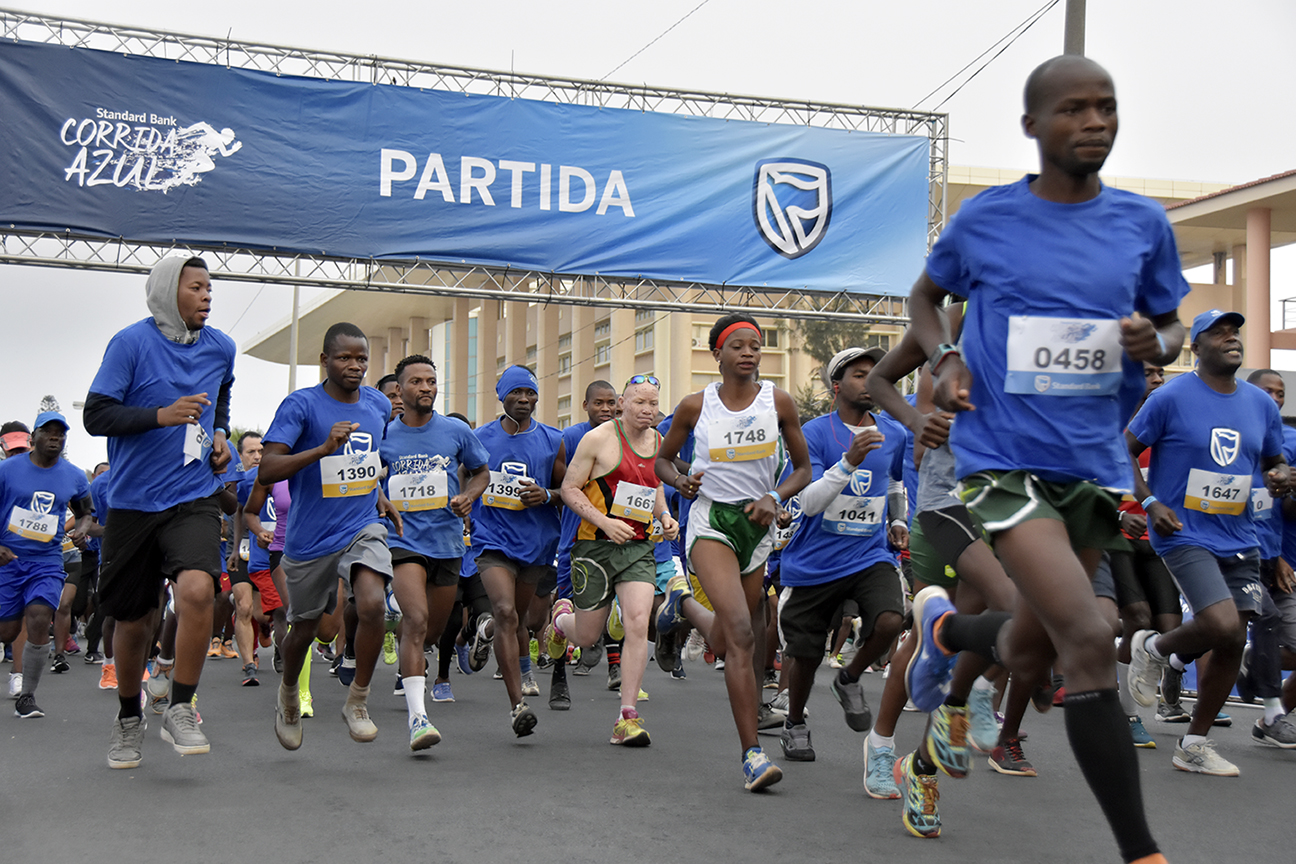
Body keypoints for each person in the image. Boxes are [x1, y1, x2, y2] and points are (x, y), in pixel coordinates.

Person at [902, 56, 1185, 864]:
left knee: (1030, 649)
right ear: (1033, 126)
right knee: (1091, 636)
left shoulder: (1143, 224)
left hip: (1093, 463)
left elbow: (1170, 328)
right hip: (1001, 460)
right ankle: (1142, 852)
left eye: (1106, 108)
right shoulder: (987, 221)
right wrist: (948, 355)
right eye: (1073, 110)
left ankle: (947, 630)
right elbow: (924, 299)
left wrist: (1152, 339)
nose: (1094, 122)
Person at [1126, 311, 1294, 774]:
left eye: (1235, 331)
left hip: (1241, 536)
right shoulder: (1171, 397)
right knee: (1221, 624)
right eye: (1218, 333)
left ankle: (1193, 745)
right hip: (1183, 532)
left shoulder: (1259, 403)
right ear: (1195, 348)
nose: (1231, 338)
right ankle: (1155, 650)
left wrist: (1280, 476)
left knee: (1232, 636)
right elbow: (1121, 450)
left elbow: (1273, 461)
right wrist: (1151, 500)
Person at [84, 255, 236, 769]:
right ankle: (129, 717)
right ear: (169, 292)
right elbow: (95, 414)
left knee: (197, 590)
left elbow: (222, 398)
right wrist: (160, 416)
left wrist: (218, 434)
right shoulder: (130, 343)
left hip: (193, 495)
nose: (207, 296)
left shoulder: (221, 348)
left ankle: (182, 707)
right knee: (134, 620)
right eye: (197, 288)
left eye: (210, 288)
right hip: (132, 503)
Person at [655, 313, 811, 791]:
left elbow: (803, 468)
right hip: (712, 523)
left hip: (756, 527)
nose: (748, 352)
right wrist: (681, 479)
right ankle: (752, 755)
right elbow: (663, 458)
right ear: (717, 354)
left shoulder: (778, 401)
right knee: (743, 632)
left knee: (724, 639)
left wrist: (776, 496)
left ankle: (679, 610)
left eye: (756, 346)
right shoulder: (694, 406)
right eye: (737, 345)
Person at [257, 322, 402, 750]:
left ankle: (356, 701)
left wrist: (379, 496)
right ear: (324, 360)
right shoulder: (300, 406)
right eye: (344, 358)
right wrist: (321, 448)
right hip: (309, 539)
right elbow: (266, 470)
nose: (355, 366)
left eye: (361, 358)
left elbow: (365, 460)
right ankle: (287, 694)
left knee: (374, 603)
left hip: (361, 525)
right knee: (304, 630)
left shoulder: (377, 404)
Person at [776, 347, 907, 763]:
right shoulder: (813, 433)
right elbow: (809, 502)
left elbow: (893, 484)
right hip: (815, 562)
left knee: (891, 618)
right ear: (837, 386)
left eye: (877, 374)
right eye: (860, 375)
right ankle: (794, 722)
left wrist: (898, 520)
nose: (870, 382)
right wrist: (849, 462)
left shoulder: (895, 433)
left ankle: (849, 676)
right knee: (807, 655)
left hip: (869, 554)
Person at [544, 375, 679, 745]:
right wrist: (604, 521)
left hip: (637, 547)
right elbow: (569, 489)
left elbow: (655, 488)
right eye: (639, 403)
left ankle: (627, 717)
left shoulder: (659, 443)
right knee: (588, 636)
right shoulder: (598, 439)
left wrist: (665, 517)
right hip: (594, 547)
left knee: (638, 622)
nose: (647, 410)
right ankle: (560, 622)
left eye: (653, 404)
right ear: (623, 403)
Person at [380, 354, 489, 750]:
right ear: (400, 390)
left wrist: (468, 497)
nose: (425, 388)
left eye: (431, 381)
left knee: (433, 631)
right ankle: (418, 718)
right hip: (403, 540)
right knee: (417, 619)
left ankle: (406, 631)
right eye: (416, 382)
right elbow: (368, 477)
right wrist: (380, 499)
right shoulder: (385, 434)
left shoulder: (456, 430)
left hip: (446, 543)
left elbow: (481, 472)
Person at [469, 365, 565, 737]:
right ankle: (517, 705)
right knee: (507, 612)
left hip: (536, 542)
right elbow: (467, 477)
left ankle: (488, 629)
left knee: (523, 620)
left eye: (530, 394)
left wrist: (547, 495)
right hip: (492, 539)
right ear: (501, 396)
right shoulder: (480, 439)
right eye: (516, 394)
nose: (524, 400)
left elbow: (567, 490)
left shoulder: (552, 440)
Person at [0, 411, 92, 718]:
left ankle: (27, 696)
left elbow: (84, 512)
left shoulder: (74, 475)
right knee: (7, 630)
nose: (55, 437)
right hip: (8, 559)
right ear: (34, 437)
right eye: (49, 432)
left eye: (61, 433)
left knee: (40, 616)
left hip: (46, 560)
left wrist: (81, 530)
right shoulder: (7, 470)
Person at [552, 380, 618, 702]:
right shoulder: (571, 438)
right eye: (599, 404)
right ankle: (558, 672)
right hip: (574, 536)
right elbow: (562, 487)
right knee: (569, 602)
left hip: (613, 536)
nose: (605, 410)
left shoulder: (625, 437)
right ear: (585, 405)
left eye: (611, 404)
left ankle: (614, 665)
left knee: (617, 599)